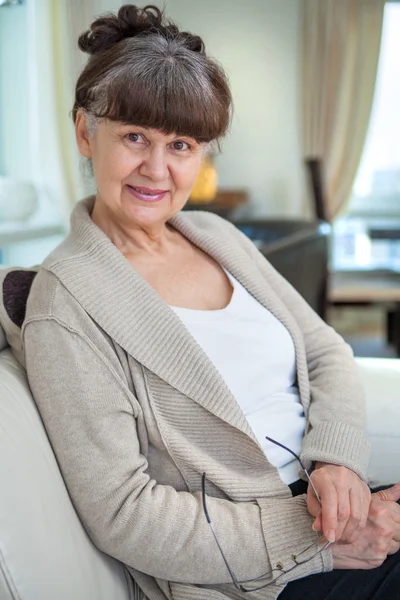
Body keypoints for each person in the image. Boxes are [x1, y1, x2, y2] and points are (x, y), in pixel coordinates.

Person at [22, 5, 400, 600]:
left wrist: (340, 463)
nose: (157, 169)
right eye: (134, 137)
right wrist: (316, 542)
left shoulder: (215, 236)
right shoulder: (66, 302)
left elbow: (325, 349)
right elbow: (124, 511)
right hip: (254, 575)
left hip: (333, 507)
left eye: (180, 144)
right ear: (83, 131)